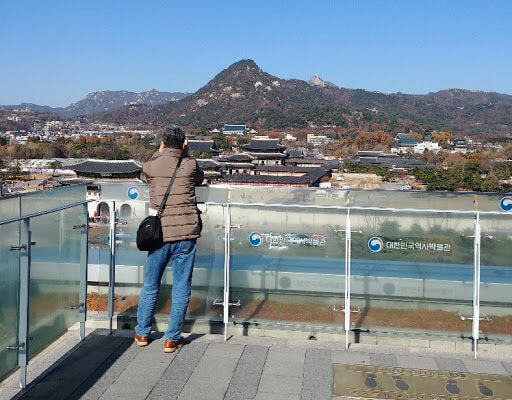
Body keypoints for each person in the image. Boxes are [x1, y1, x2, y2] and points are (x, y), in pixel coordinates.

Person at [134, 126, 204, 353]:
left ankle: (142, 333)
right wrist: (185, 152)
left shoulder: (151, 165)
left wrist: (160, 151)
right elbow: (199, 178)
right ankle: (172, 339)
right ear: (183, 143)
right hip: (186, 233)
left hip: (160, 234)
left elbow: (143, 175)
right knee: (182, 286)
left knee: (151, 285)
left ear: (163, 143)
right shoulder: (191, 164)